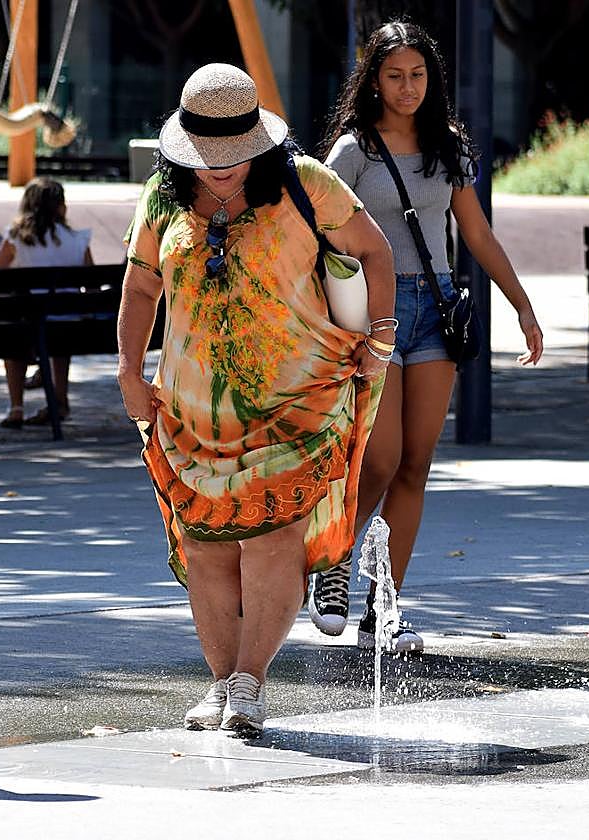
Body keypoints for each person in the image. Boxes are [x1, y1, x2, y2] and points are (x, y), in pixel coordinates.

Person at [118, 64, 394, 736]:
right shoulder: (161, 197)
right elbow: (141, 286)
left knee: (272, 540)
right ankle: (221, 685)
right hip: (192, 413)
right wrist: (127, 366)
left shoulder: (308, 186)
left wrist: (381, 335)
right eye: (208, 157)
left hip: (297, 405)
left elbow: (376, 254)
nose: (220, 170)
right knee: (209, 546)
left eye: (235, 156)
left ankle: (250, 683)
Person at [312, 21, 544, 653]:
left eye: (418, 75)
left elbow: (477, 232)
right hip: (374, 314)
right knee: (381, 458)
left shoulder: (449, 146)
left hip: (437, 309)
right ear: (374, 81)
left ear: (431, 79)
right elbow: (317, 233)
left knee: (415, 465)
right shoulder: (353, 151)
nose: (407, 87)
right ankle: (333, 562)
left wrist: (522, 304)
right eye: (394, 76)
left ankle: (382, 614)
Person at [0, 177, 93, 428]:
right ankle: (59, 400)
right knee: (45, 324)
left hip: (27, 329)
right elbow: (91, 287)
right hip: (71, 329)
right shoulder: (79, 240)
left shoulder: (18, 238)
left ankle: (16, 407)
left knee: (11, 323)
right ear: (61, 206)